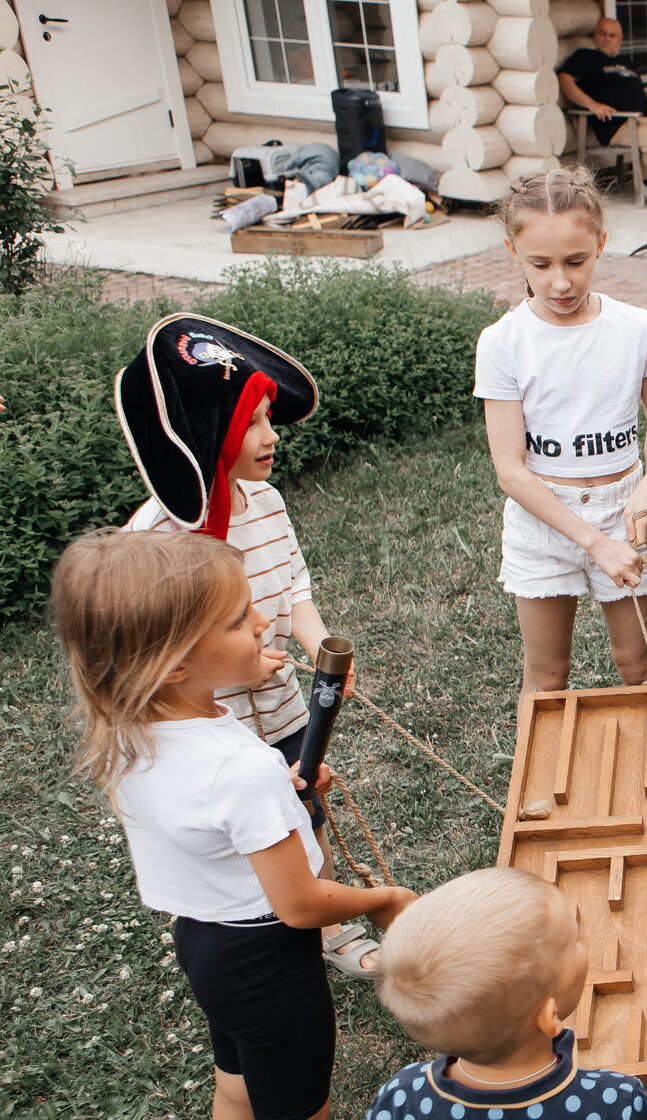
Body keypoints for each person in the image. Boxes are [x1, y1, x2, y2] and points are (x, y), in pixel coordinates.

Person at [51, 529, 416, 1120]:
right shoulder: (239, 768)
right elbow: (300, 904)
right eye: (235, 619)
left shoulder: (129, 733)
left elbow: (208, 820)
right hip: (270, 961)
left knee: (238, 1085)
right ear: (173, 665)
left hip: (204, 944)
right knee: (300, 1109)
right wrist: (385, 898)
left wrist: (280, 791)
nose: (259, 619)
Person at [116, 312, 382, 981]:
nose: (271, 438)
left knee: (304, 800)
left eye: (269, 418)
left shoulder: (266, 503)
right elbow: (151, 657)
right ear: (213, 436)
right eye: (254, 424)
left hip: (285, 709)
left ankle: (323, 920)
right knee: (246, 832)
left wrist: (319, 645)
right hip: (216, 731)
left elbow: (293, 587)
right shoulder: (155, 542)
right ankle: (255, 918)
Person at [478, 168, 647, 697]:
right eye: (539, 265)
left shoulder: (635, 326)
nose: (559, 282)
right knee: (547, 677)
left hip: (623, 510)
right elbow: (511, 471)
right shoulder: (502, 343)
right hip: (545, 519)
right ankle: (539, 782)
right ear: (512, 250)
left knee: (638, 666)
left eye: (576, 261)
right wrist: (593, 543)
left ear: (601, 244)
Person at [370, 867, 647, 1119]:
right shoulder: (616, 1103)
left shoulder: (400, 1097)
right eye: (572, 942)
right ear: (548, 1016)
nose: (581, 946)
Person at [557, 18, 647, 208]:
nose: (607, 38)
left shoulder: (626, 62)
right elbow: (565, 80)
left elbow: (641, 92)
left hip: (646, 117)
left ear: (620, 40)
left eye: (612, 35)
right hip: (618, 123)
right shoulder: (585, 57)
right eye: (602, 33)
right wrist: (593, 105)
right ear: (595, 36)